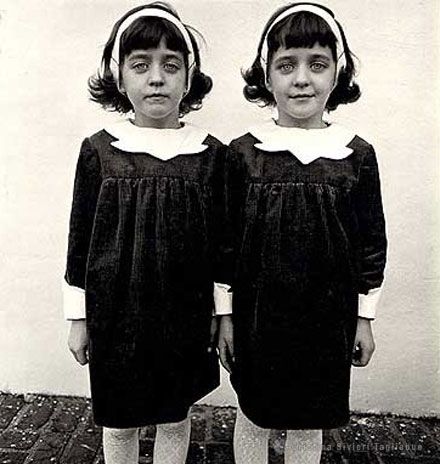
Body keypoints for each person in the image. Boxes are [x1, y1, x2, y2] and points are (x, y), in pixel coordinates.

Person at [217, 3, 387, 463]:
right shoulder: (244, 154)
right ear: (267, 75)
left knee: (310, 417)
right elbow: (224, 245)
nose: (301, 79)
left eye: (317, 64)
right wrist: (225, 315)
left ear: (338, 73)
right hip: (258, 317)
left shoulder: (355, 156)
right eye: (286, 65)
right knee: (254, 413)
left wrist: (364, 318)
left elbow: (371, 244)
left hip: (326, 318)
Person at [63, 3, 228, 463]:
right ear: (119, 77)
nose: (156, 78)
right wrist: (78, 318)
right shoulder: (100, 151)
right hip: (117, 315)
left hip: (184, 315)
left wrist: (222, 313)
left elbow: (223, 246)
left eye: (170, 65)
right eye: (141, 65)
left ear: (188, 78)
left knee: (175, 416)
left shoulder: (209, 155)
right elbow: (80, 241)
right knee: (120, 421)